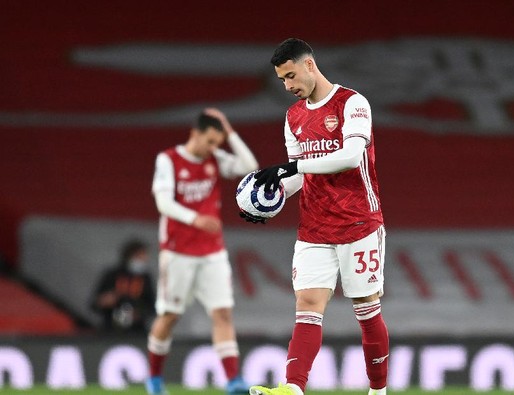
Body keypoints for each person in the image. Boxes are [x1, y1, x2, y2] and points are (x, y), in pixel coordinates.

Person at [244, 38, 389, 395]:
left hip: (358, 223)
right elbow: (298, 176)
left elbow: (351, 156)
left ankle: (378, 390)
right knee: (307, 306)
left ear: (310, 65)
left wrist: (292, 166)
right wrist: (270, 196)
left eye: (291, 75)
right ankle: (293, 388)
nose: (288, 86)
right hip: (314, 228)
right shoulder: (293, 117)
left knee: (366, 310)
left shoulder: (352, 103)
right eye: (281, 80)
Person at [147, 108, 258, 395]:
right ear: (194, 133)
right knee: (170, 315)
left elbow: (249, 166)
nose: (213, 148)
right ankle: (155, 378)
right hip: (178, 251)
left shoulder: (214, 158)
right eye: (210, 141)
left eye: (217, 143)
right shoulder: (168, 159)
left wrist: (229, 131)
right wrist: (195, 219)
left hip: (212, 252)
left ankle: (233, 381)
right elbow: (163, 203)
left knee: (222, 314)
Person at [90, 238, 155, 333]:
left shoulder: (145, 278)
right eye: (140, 255)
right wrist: (103, 302)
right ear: (130, 255)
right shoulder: (112, 275)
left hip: (137, 332)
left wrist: (139, 313)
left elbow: (152, 307)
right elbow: (94, 304)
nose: (144, 259)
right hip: (110, 330)